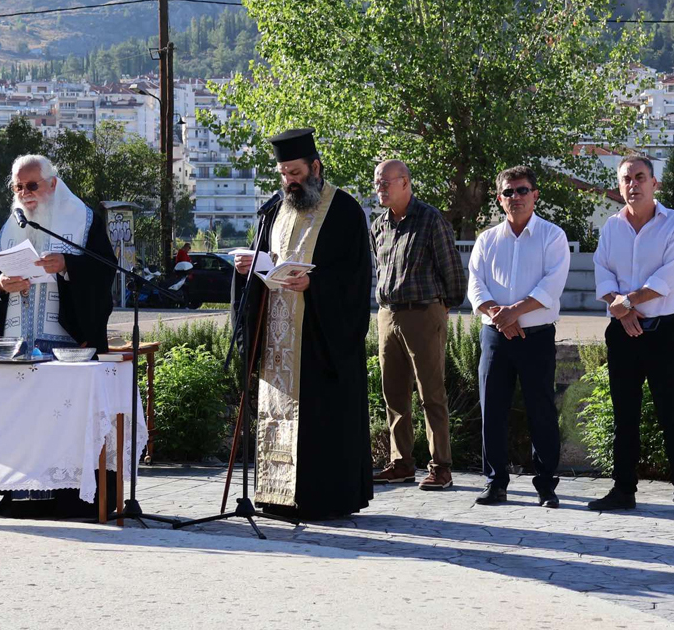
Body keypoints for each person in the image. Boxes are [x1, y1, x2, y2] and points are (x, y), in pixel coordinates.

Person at [231, 128, 373, 520]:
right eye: (283, 174)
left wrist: (317, 282)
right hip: (277, 333)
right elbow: (268, 259)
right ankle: (275, 495)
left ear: (315, 167)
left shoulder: (344, 210)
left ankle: (323, 498)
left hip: (319, 339)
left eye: (294, 172)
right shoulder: (274, 210)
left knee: (319, 423)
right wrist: (251, 268)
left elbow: (357, 277)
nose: (289, 181)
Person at [0, 154, 117, 518]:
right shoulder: (9, 226)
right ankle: (20, 496)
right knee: (22, 422)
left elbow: (104, 274)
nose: (25, 194)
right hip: (18, 344)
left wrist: (68, 265)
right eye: (18, 187)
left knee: (64, 425)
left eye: (32, 185)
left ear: (53, 184)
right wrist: (0, 284)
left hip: (68, 345)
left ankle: (71, 498)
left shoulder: (84, 220)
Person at [585, 156, 674, 517]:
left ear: (654, 184)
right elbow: (601, 272)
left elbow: (670, 276)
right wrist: (620, 309)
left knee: (672, 413)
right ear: (619, 186)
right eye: (625, 179)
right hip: (622, 333)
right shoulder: (611, 228)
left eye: (639, 177)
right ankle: (623, 490)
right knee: (625, 416)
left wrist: (627, 302)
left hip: (662, 330)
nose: (633, 184)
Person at [466, 165, 569, 508]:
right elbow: (475, 284)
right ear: (500, 199)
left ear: (535, 195)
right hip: (494, 335)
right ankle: (496, 483)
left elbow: (551, 286)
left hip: (536, 336)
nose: (516, 197)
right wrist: (499, 314)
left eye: (522, 190)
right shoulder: (487, 239)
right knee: (492, 409)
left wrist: (514, 312)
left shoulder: (552, 236)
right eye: (509, 192)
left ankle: (545, 485)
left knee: (541, 409)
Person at [370, 159, 467, 490]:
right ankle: (401, 463)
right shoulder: (378, 226)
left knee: (431, 393)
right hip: (387, 314)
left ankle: (441, 466)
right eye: (377, 183)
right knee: (393, 393)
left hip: (423, 314)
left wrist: (444, 306)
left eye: (385, 183)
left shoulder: (429, 219)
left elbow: (452, 269)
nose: (379, 189)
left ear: (405, 183)